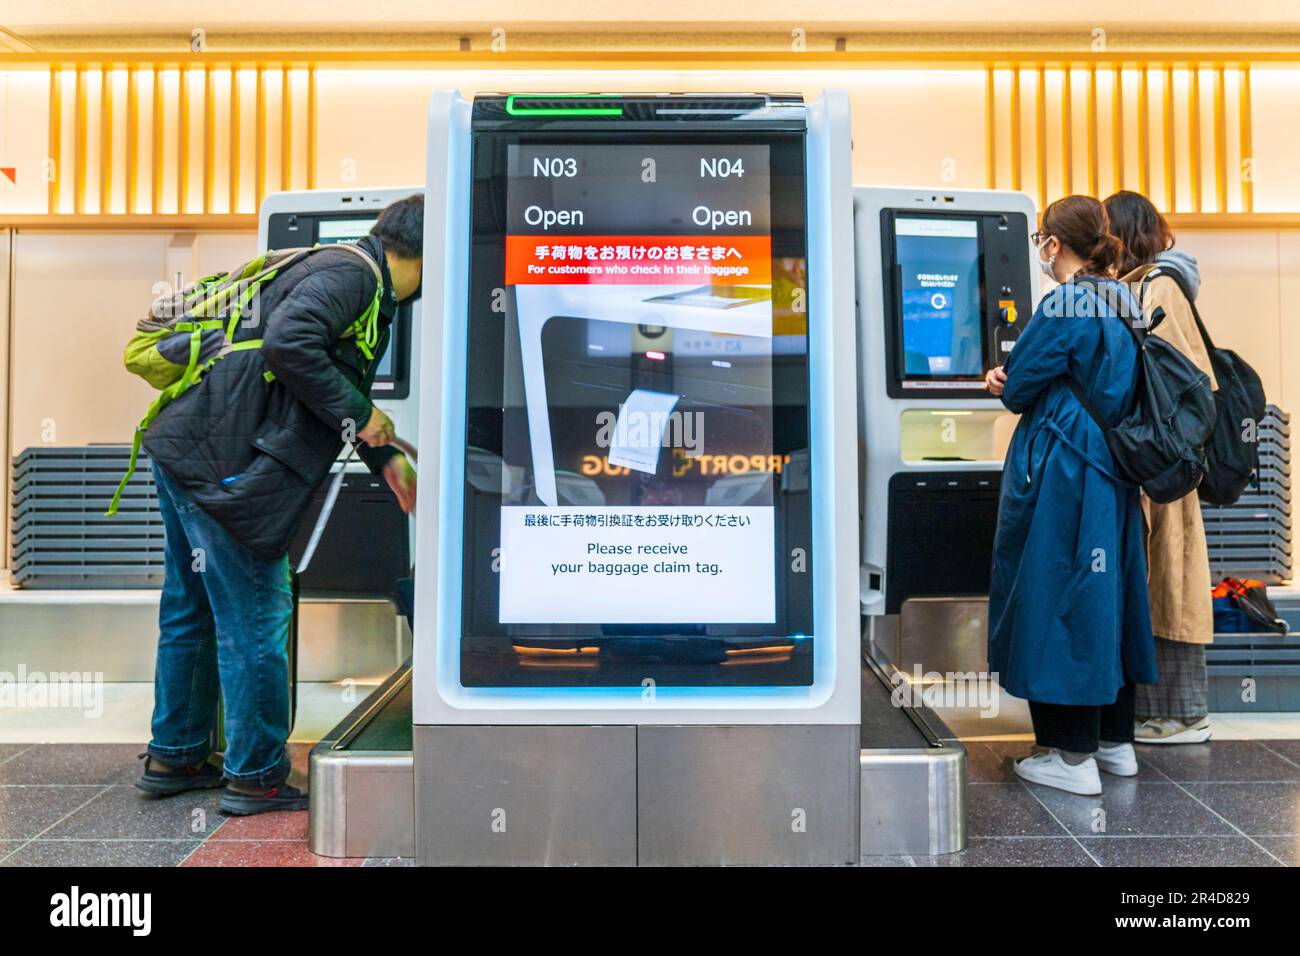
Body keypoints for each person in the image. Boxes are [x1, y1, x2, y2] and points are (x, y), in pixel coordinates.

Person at [133, 195, 423, 814]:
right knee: (256, 614)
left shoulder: (341, 269)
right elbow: (291, 347)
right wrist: (366, 416)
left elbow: (333, 384)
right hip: (226, 467)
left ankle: (176, 755)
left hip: (190, 449)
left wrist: (386, 455)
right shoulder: (355, 276)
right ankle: (257, 775)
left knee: (193, 608)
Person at [984, 195, 1156, 796]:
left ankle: (1071, 757)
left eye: (1040, 239)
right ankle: (1116, 745)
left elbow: (1018, 387)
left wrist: (998, 378)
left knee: (1056, 597)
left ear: (1053, 244)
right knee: (1107, 597)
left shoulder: (1065, 302)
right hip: (1114, 468)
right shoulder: (1123, 299)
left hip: (1065, 471)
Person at [1105, 190, 1215, 745]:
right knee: (1156, 586)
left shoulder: (1157, 286)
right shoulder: (1141, 286)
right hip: (1149, 465)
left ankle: (1183, 716)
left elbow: (1182, 382)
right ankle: (1156, 713)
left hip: (1162, 470)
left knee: (1170, 588)